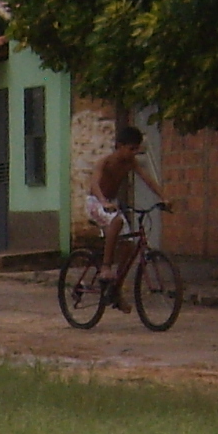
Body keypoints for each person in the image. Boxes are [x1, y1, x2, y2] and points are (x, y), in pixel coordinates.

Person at [86, 125, 168, 308]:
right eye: (131, 149)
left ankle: (115, 290)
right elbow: (95, 183)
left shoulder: (131, 164)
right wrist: (103, 202)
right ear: (120, 146)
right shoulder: (105, 162)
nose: (133, 153)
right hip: (95, 202)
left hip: (112, 203)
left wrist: (164, 198)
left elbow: (148, 180)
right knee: (116, 221)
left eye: (136, 149)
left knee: (129, 247)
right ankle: (106, 267)